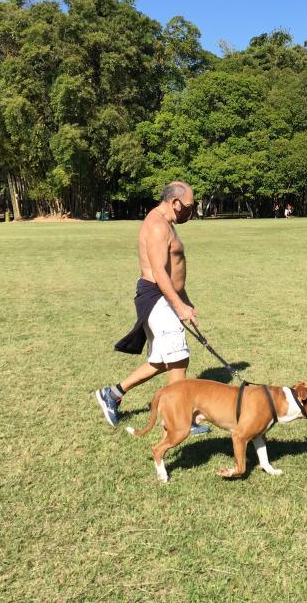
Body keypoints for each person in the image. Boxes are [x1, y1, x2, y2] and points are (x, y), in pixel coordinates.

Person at [95, 181, 209, 433]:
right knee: (179, 357)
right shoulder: (157, 225)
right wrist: (178, 306)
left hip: (163, 295)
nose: (192, 213)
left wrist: (184, 300)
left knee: (162, 359)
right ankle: (177, 422)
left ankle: (111, 394)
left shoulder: (166, 222)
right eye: (189, 207)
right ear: (175, 203)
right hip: (156, 295)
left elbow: (172, 270)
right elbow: (159, 272)